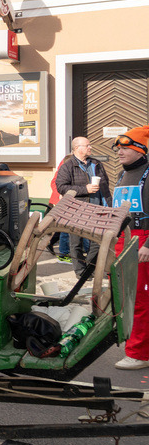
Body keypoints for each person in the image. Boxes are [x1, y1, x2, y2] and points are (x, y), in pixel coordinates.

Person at [111, 126, 149, 370]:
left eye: (125, 148)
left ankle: (138, 354)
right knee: (126, 297)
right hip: (122, 240)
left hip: (142, 241)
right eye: (119, 148)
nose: (120, 152)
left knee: (139, 299)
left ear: (140, 150)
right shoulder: (121, 175)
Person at [55, 136, 111, 278]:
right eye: (87, 145)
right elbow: (61, 187)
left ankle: (89, 269)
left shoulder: (96, 164)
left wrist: (108, 204)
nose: (90, 147)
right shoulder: (67, 166)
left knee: (97, 242)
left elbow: (105, 184)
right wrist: (85, 189)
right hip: (77, 210)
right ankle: (80, 271)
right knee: (76, 242)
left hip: (98, 209)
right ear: (77, 148)